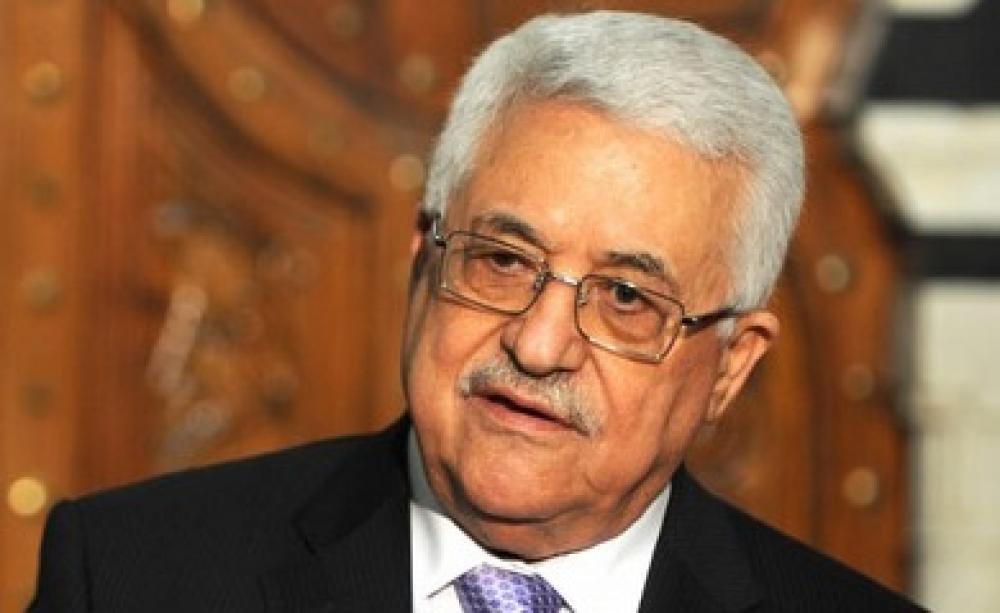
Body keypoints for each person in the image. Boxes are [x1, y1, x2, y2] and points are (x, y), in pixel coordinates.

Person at [31, 10, 923, 612]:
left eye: (626, 297)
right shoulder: (130, 575)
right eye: (502, 260)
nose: (538, 344)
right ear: (423, 263)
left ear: (730, 365)